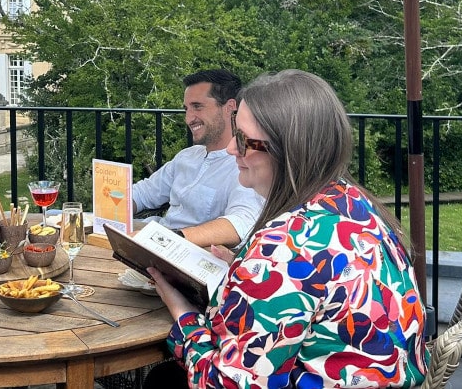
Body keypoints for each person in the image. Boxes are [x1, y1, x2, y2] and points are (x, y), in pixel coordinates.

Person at [146, 70, 430, 388]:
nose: (230, 150)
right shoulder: (354, 204)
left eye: (243, 140)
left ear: (286, 149)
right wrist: (238, 275)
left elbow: (224, 384)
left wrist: (182, 312)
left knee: (164, 379)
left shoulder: (282, 248)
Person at [131, 69, 264, 249]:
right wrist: (109, 205)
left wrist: (167, 240)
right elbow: (142, 193)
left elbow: (241, 223)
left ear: (230, 107)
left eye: (197, 106)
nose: (188, 118)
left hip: (183, 254)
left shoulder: (244, 165)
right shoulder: (187, 156)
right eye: (186, 109)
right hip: (153, 239)